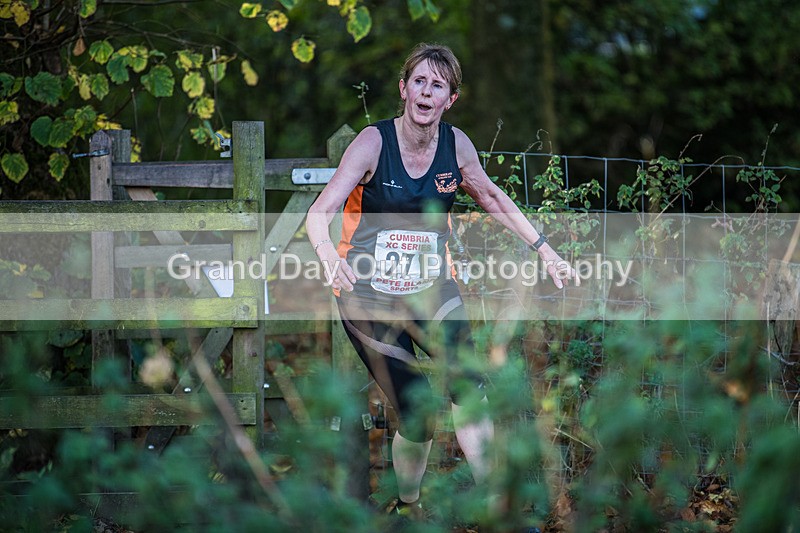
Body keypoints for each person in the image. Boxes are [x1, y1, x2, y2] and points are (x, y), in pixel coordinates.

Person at [306, 43, 577, 519]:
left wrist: (546, 250)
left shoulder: (457, 146)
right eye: (419, 82)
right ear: (404, 88)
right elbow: (319, 212)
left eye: (438, 85)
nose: (426, 93)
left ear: (450, 99)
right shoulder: (372, 143)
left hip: (434, 290)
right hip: (367, 296)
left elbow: (491, 197)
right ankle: (408, 506)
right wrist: (329, 255)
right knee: (417, 414)